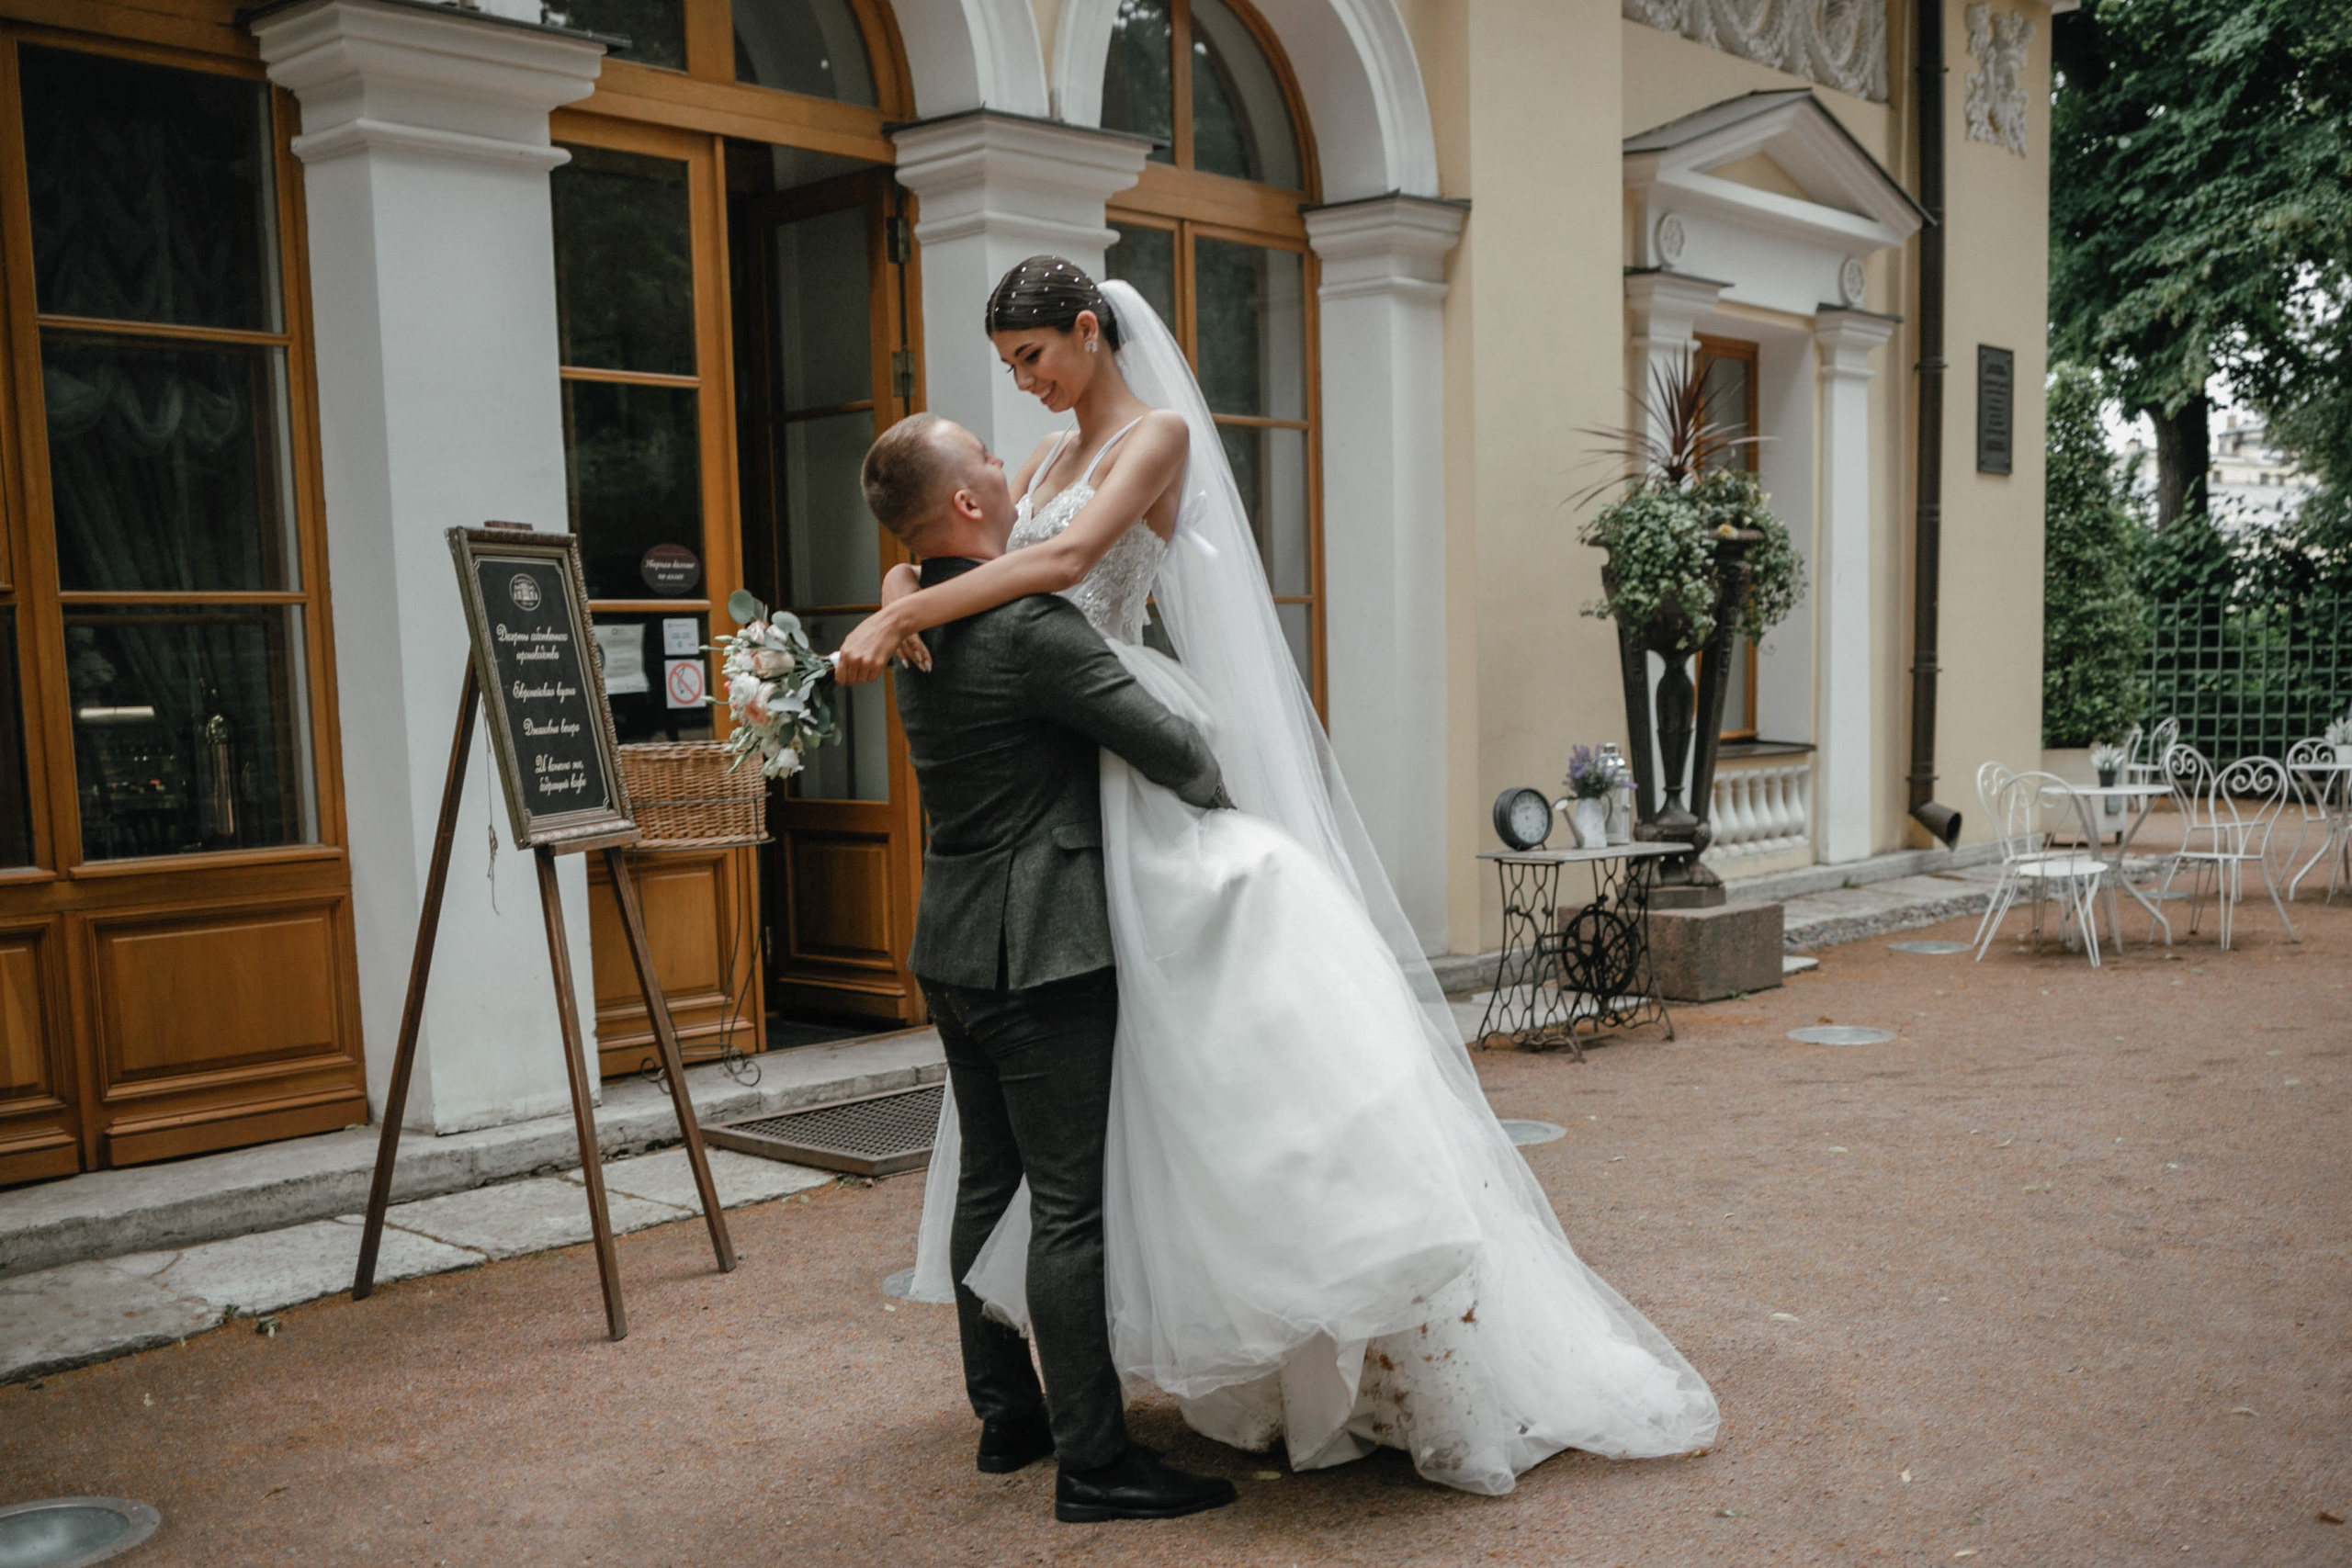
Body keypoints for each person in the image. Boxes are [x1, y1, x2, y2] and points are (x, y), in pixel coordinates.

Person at [842, 258, 1721, 1495]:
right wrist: (898, 591)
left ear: (1092, 333)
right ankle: (1086, 1417)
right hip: (1069, 770)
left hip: (1111, 740)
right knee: (1100, 1121)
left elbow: (1054, 568)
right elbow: (952, 546)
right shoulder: (1030, 465)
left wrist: (899, 617)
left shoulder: (1147, 441)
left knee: (1237, 1043)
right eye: (1008, 369)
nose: (1025, 385)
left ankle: (1244, 1350)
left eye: (1034, 356)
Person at [859, 410, 1240, 1524]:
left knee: (991, 1182)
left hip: (956, 945)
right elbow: (1173, 753)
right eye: (983, 453)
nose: (1006, 458)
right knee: (1068, 1207)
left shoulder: (912, 624)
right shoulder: (1029, 628)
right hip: (1046, 951)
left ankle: (1007, 1419)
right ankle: (1094, 1460)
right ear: (969, 505)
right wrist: (1230, 800)